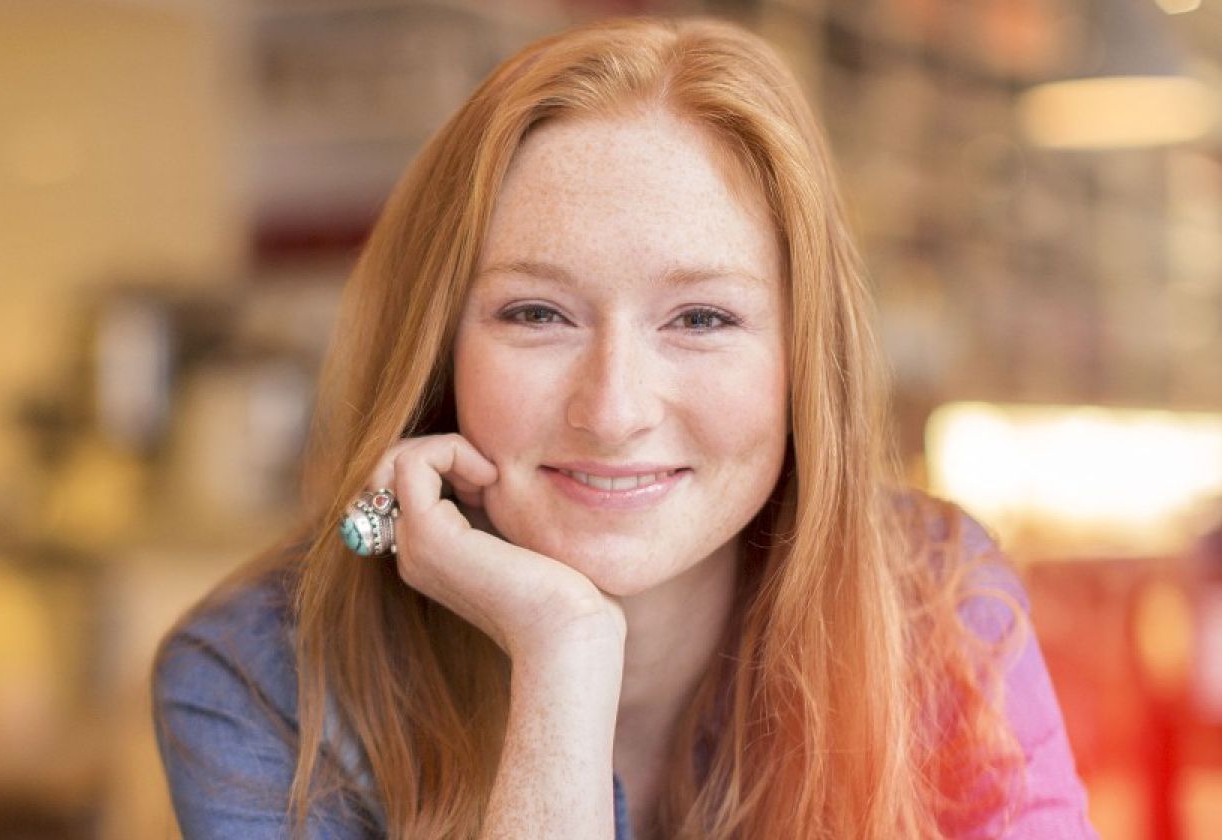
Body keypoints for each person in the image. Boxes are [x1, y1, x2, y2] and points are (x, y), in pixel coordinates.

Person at [152, 16, 1095, 840]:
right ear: (438, 348)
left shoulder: (931, 601)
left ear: (805, 357)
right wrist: (562, 657)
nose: (612, 410)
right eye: (536, 314)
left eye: (701, 318)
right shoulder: (261, 681)